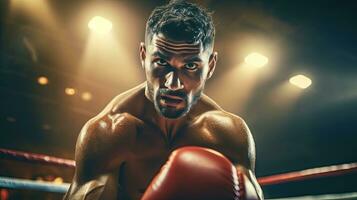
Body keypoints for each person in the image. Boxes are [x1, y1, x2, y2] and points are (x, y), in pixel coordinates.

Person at [64, 0, 264, 199]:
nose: (173, 83)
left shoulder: (228, 135)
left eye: (191, 66)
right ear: (143, 56)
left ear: (210, 66)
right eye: (161, 62)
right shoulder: (109, 133)